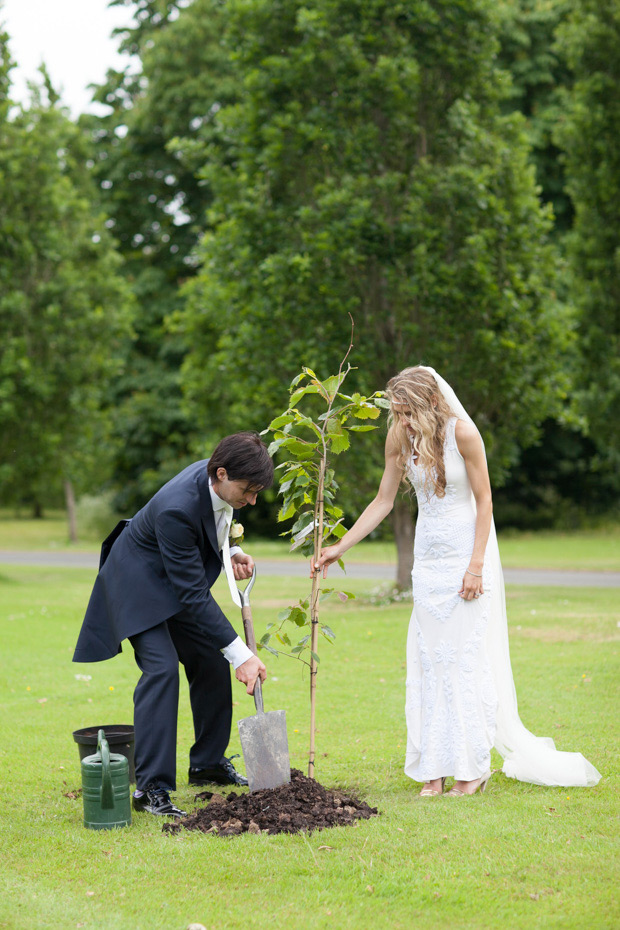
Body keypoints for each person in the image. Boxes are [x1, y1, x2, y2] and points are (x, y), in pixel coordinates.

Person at [314, 367, 601, 796]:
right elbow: (383, 500)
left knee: (464, 662)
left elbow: (485, 501)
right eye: (398, 413)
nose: (404, 421)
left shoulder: (463, 434)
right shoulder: (399, 439)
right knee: (429, 663)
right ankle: (434, 769)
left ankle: (472, 770)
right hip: (427, 563)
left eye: (408, 411)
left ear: (429, 402)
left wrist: (476, 566)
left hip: (465, 558)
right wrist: (341, 546)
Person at [73, 432, 273, 816]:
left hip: (170, 579)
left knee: (212, 660)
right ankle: (150, 789)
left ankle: (208, 765)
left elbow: (214, 521)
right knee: (162, 668)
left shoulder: (215, 481)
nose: (251, 500)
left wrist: (230, 548)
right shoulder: (176, 508)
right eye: (248, 490)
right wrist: (242, 654)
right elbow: (194, 595)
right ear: (221, 472)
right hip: (135, 584)